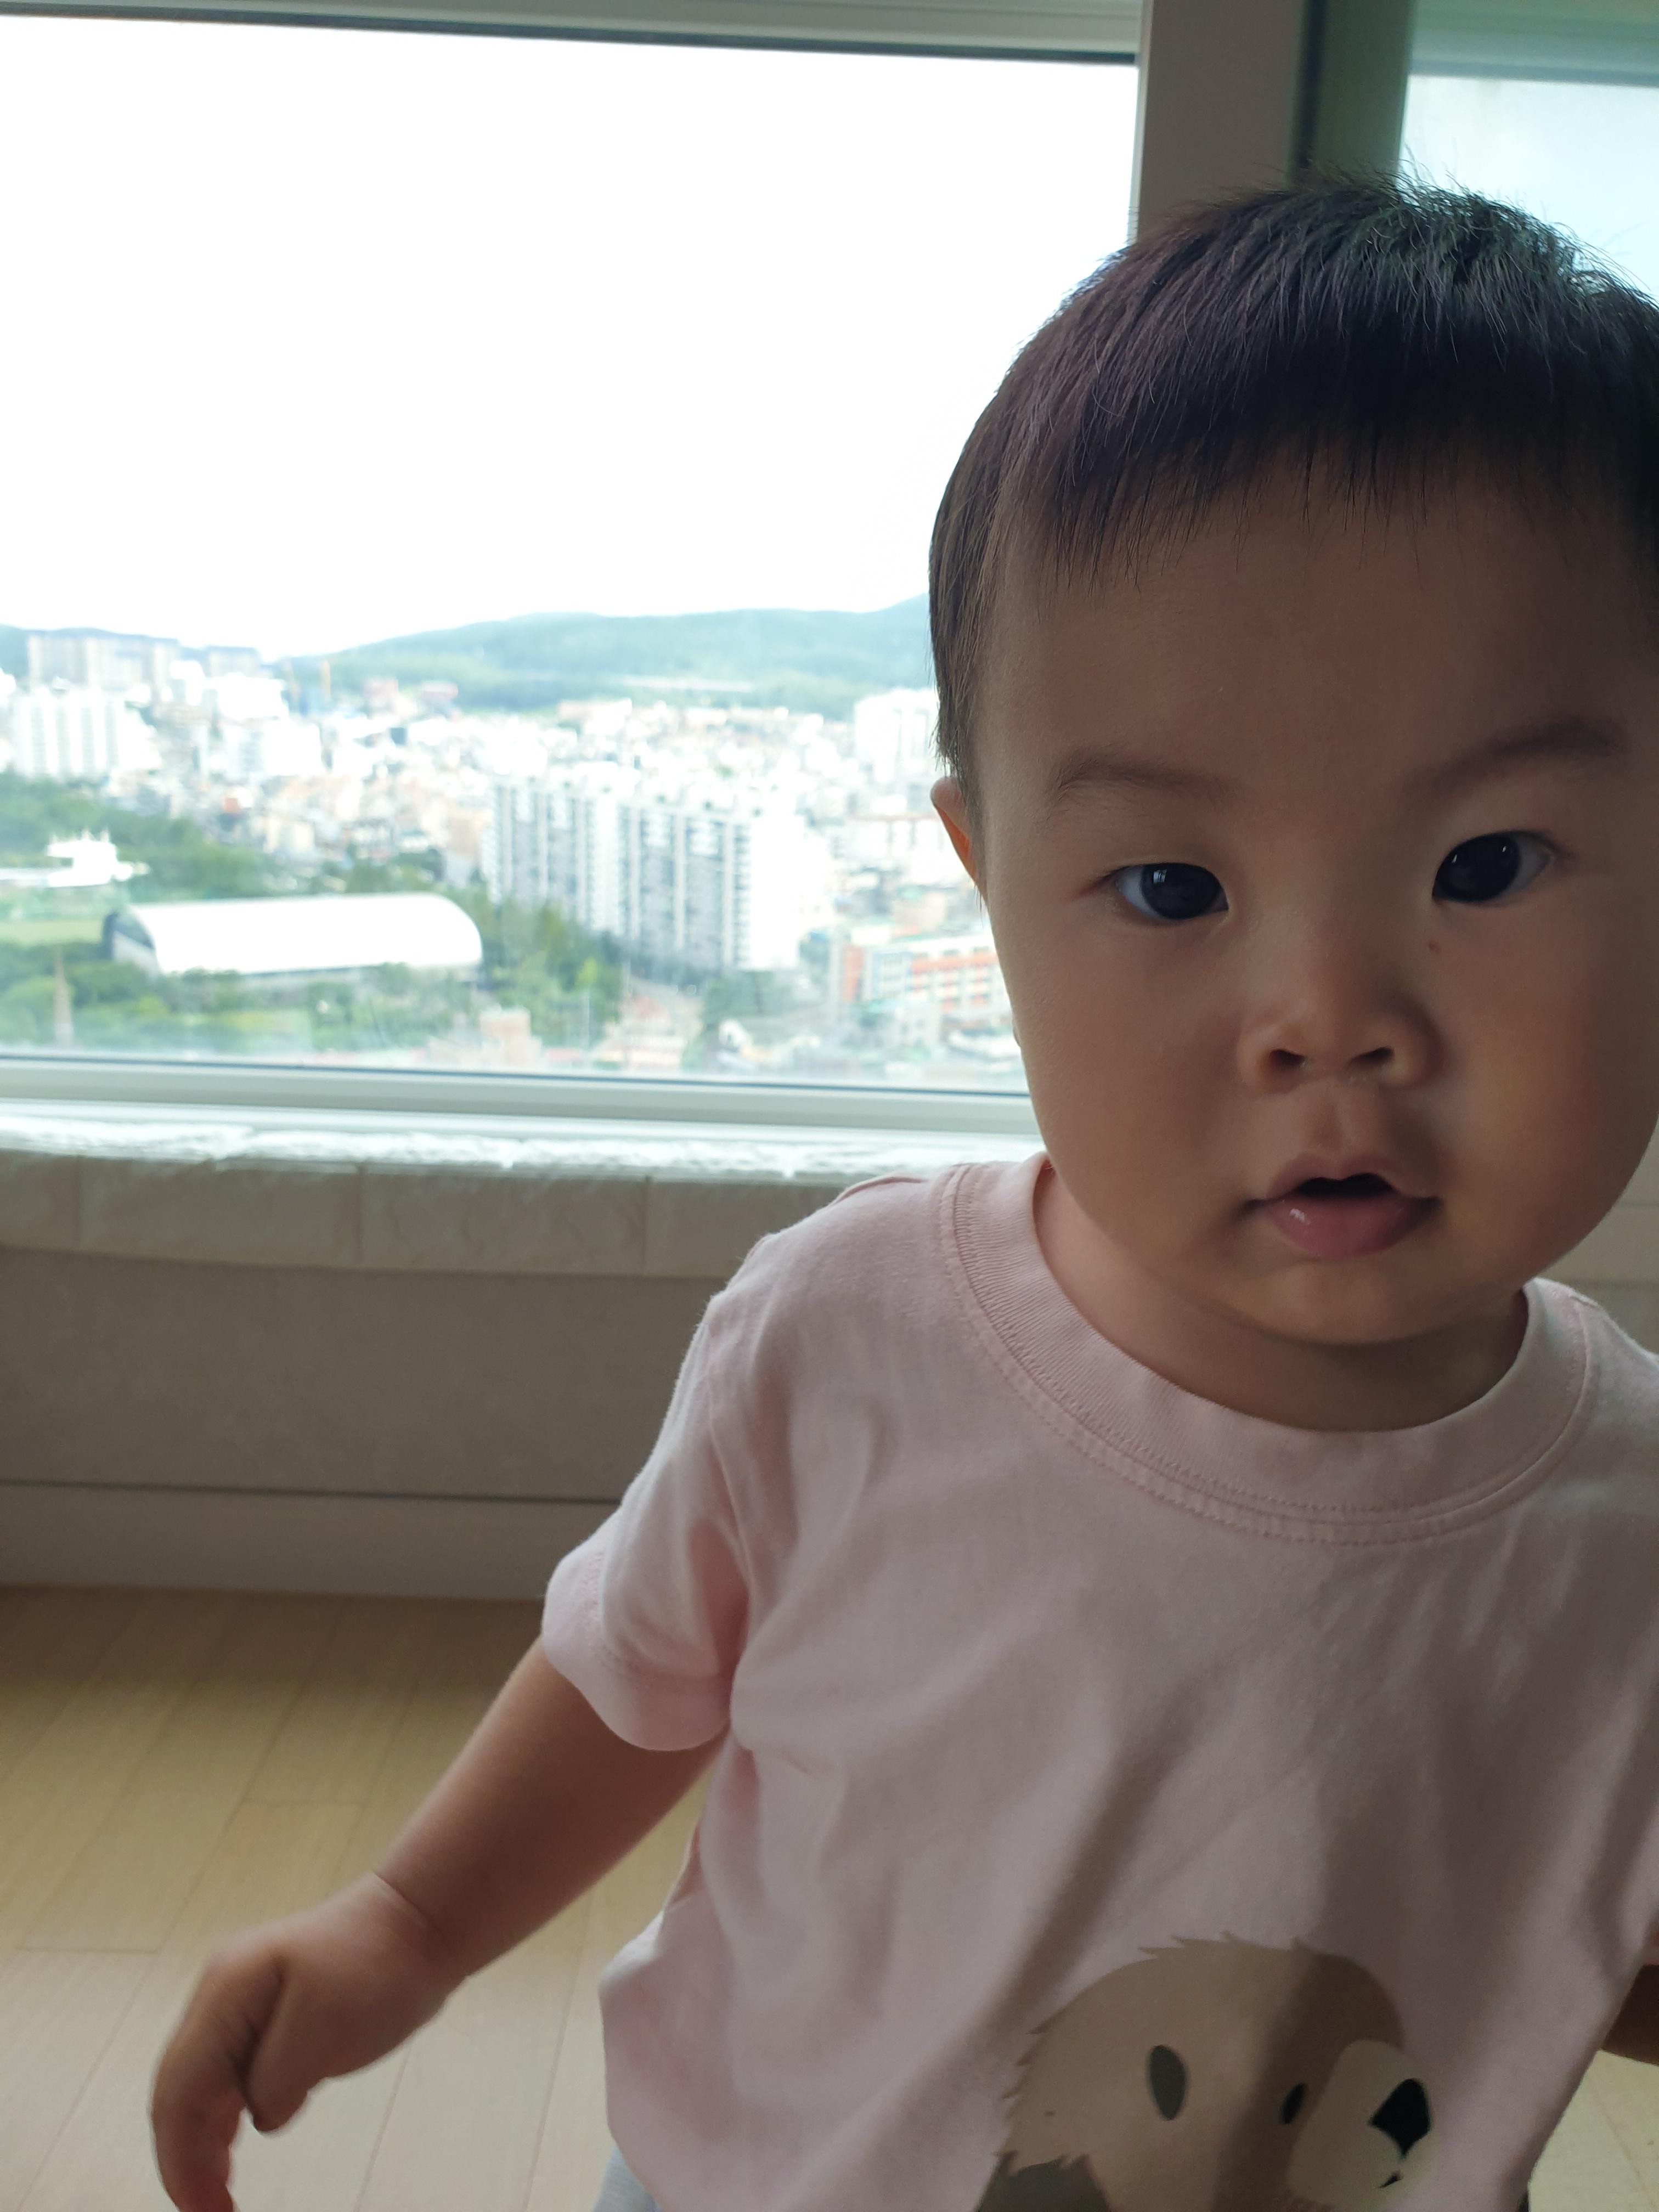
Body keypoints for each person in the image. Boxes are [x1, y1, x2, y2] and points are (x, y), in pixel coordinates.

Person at [150, 177, 1659, 2212]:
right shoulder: (848, 1334)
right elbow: (634, 1674)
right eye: (1172, 887)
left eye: (1486, 866)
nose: (1327, 1020)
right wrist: (407, 1923)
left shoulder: (1631, 1519)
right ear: (986, 878)